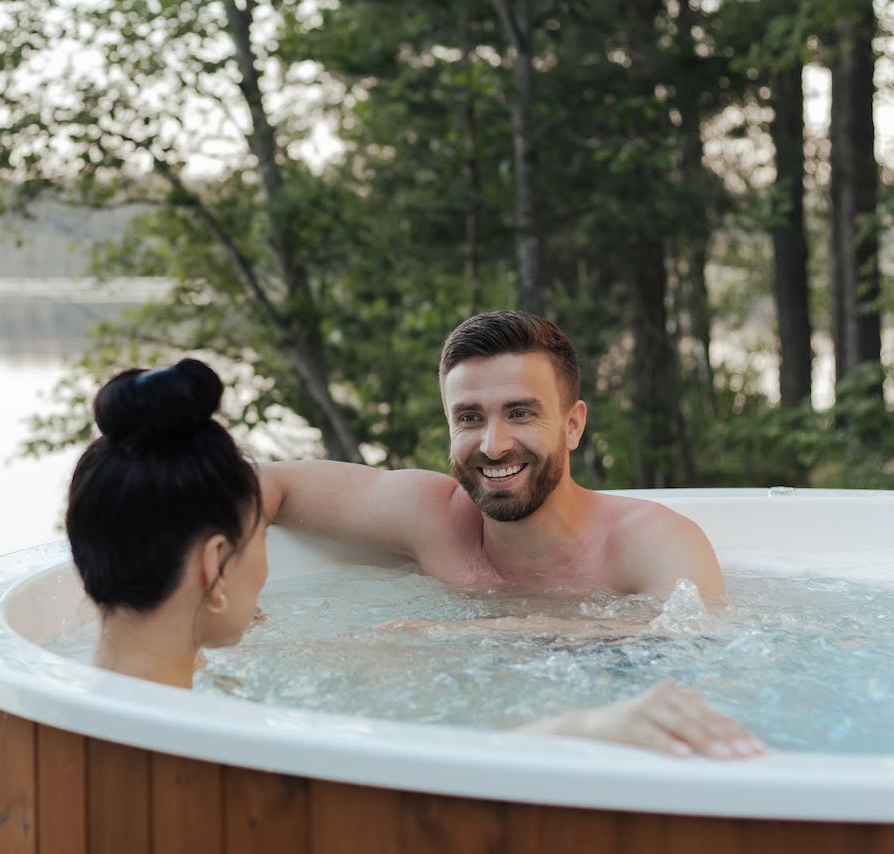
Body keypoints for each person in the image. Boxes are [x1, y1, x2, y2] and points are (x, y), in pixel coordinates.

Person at [65, 357, 764, 758]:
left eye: (521, 412)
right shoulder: (204, 753)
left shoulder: (80, 707)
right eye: (256, 550)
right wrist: (574, 727)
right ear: (212, 567)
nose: (493, 442)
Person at [260, 310, 725, 602]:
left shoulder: (651, 541)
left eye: (520, 413)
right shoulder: (432, 519)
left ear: (573, 425)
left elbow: (688, 648)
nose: (493, 445)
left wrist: (457, 640)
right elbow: (265, 484)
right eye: (469, 418)